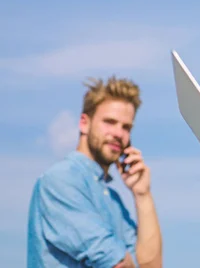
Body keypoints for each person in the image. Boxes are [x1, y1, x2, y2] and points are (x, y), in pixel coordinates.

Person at [27, 76, 163, 268]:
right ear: (84, 123)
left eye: (126, 127)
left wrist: (143, 195)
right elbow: (118, 264)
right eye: (110, 122)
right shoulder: (61, 180)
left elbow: (152, 265)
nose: (118, 133)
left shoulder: (112, 199)